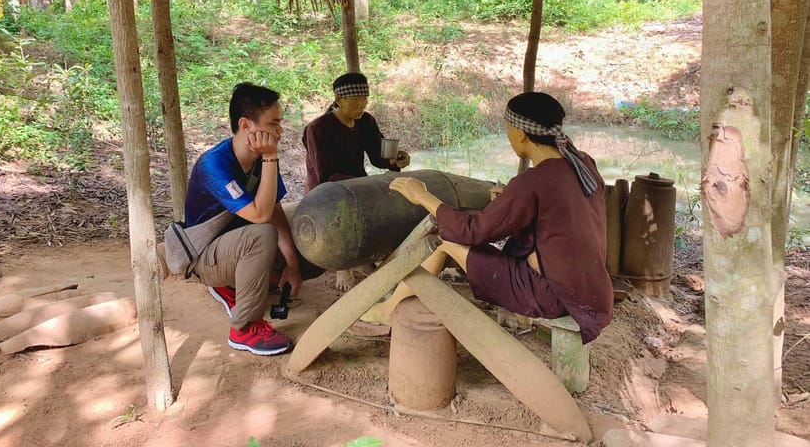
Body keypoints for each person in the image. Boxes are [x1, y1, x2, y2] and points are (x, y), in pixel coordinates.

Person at [364, 92, 613, 344]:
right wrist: (509, 199)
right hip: (591, 292)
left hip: (553, 295)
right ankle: (394, 305)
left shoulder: (533, 182)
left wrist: (423, 196)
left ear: (520, 133)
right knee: (470, 241)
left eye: (508, 130)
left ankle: (388, 310)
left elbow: (474, 231)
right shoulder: (583, 163)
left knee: (443, 241)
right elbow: (558, 213)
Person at [184, 82, 306, 355]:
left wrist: (292, 264)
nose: (280, 131)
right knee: (262, 234)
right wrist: (272, 157)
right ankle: (244, 328)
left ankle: (237, 285)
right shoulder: (214, 165)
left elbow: (273, 208)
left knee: (304, 248)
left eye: (280, 123)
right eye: (274, 124)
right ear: (246, 125)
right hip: (205, 257)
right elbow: (261, 216)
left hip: (236, 246)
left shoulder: (261, 161)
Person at [302, 72, 411, 289]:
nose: (361, 105)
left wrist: (396, 159)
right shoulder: (318, 129)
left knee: (384, 205)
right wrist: (368, 187)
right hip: (325, 190)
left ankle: (366, 258)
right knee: (342, 213)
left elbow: (378, 158)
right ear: (339, 100)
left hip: (358, 183)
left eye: (365, 99)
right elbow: (326, 175)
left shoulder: (366, 121)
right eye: (355, 100)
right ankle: (343, 265)